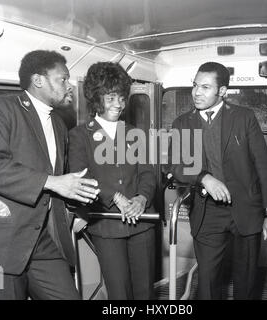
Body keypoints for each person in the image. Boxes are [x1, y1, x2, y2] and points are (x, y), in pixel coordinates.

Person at [0, 50, 100, 300]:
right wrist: (54, 182)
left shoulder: (59, 124)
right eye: (63, 79)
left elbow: (57, 183)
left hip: (43, 240)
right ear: (38, 80)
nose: (69, 85)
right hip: (0, 247)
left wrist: (75, 199)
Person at [170, 62, 267, 299]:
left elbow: (263, 167)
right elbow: (173, 166)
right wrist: (203, 177)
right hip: (207, 213)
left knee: (247, 283)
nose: (196, 92)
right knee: (207, 285)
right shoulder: (182, 123)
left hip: (246, 210)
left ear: (222, 91)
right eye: (195, 85)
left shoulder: (244, 117)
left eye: (205, 87)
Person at [68, 62, 156, 300]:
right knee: (119, 293)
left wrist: (141, 197)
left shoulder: (134, 133)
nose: (119, 104)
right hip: (106, 226)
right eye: (111, 98)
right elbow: (81, 176)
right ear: (97, 99)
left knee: (145, 291)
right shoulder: (79, 136)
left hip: (142, 224)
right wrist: (114, 197)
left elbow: (148, 172)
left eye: (122, 98)